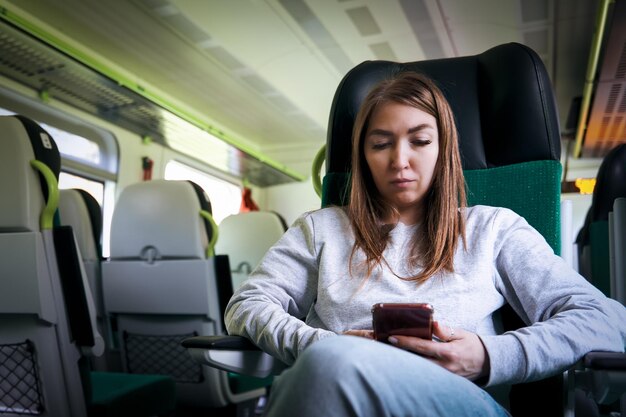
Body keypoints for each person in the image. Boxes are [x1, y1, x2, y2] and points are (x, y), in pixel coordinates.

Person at [225, 72, 626, 416]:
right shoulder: (320, 230)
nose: (399, 159)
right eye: (380, 144)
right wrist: (321, 346)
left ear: (443, 149)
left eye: (419, 141)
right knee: (330, 365)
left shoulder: (493, 229)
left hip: (461, 402)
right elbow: (247, 305)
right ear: (363, 155)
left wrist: (488, 356)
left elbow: (606, 320)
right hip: (335, 388)